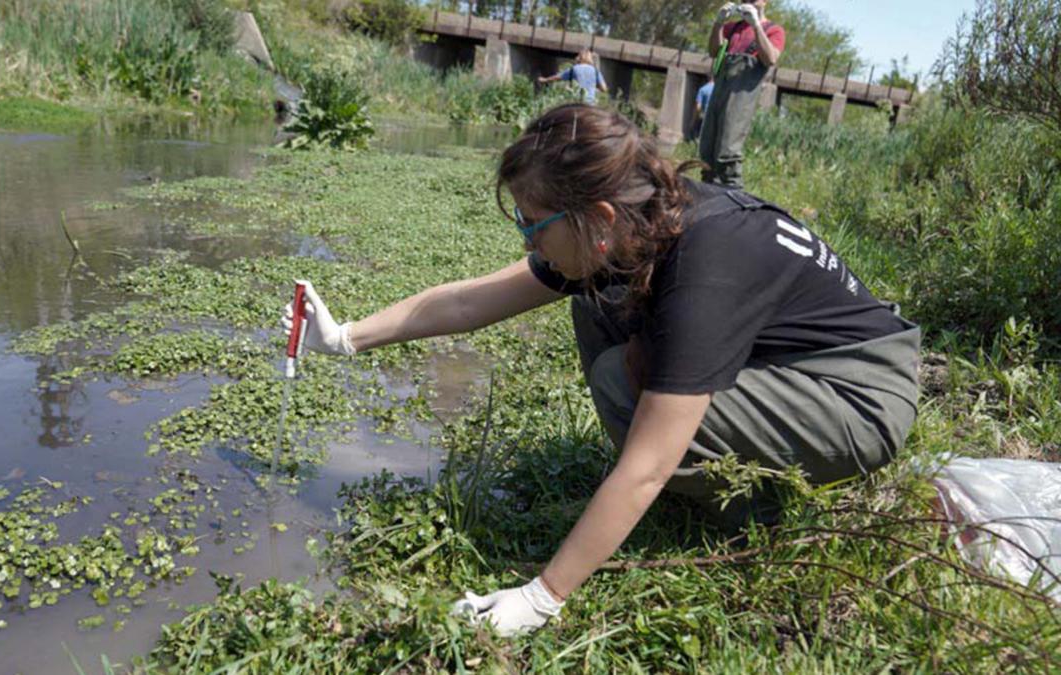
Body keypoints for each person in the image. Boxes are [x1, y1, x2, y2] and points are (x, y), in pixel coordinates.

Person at [284, 105, 920, 637]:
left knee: (626, 385)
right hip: (789, 364)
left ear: (601, 219)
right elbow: (469, 300)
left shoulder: (706, 266)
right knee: (600, 310)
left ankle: (750, 512)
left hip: (858, 395)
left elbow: (645, 466)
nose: (527, 242)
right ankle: (708, 471)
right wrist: (344, 338)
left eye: (533, 225)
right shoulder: (637, 219)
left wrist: (542, 595)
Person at [700, 0, 785, 188]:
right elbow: (713, 51)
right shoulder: (733, 28)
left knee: (727, 152)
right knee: (707, 150)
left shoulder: (774, 30)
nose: (747, 2)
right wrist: (718, 23)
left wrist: (756, 25)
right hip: (719, 93)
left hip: (741, 97)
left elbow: (770, 58)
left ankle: (733, 196)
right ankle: (707, 194)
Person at [538, 49, 608, 104]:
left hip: (576, 102)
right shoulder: (595, 71)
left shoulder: (574, 69)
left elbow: (558, 77)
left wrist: (545, 80)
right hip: (590, 105)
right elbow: (604, 89)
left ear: (579, 58)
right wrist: (592, 86)